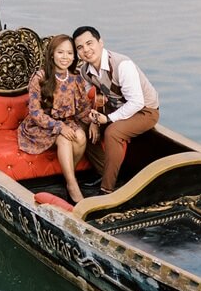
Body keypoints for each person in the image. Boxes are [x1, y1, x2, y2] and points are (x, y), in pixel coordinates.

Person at [72, 26, 160, 194]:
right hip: (116, 107)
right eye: (80, 47)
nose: (86, 50)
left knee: (113, 132)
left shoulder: (122, 65)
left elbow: (137, 102)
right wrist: (94, 120)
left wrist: (108, 119)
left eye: (89, 43)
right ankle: (105, 173)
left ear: (100, 42)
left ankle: (107, 189)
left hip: (145, 110)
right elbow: (95, 96)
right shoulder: (85, 71)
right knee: (83, 127)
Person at [17, 35, 95, 203]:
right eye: (60, 52)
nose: (65, 57)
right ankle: (72, 185)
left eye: (69, 53)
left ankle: (68, 176)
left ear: (74, 57)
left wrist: (95, 122)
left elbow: (83, 108)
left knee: (80, 137)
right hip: (40, 125)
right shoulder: (40, 77)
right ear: (52, 54)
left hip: (67, 122)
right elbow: (35, 112)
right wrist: (59, 127)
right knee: (64, 139)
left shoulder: (76, 78)